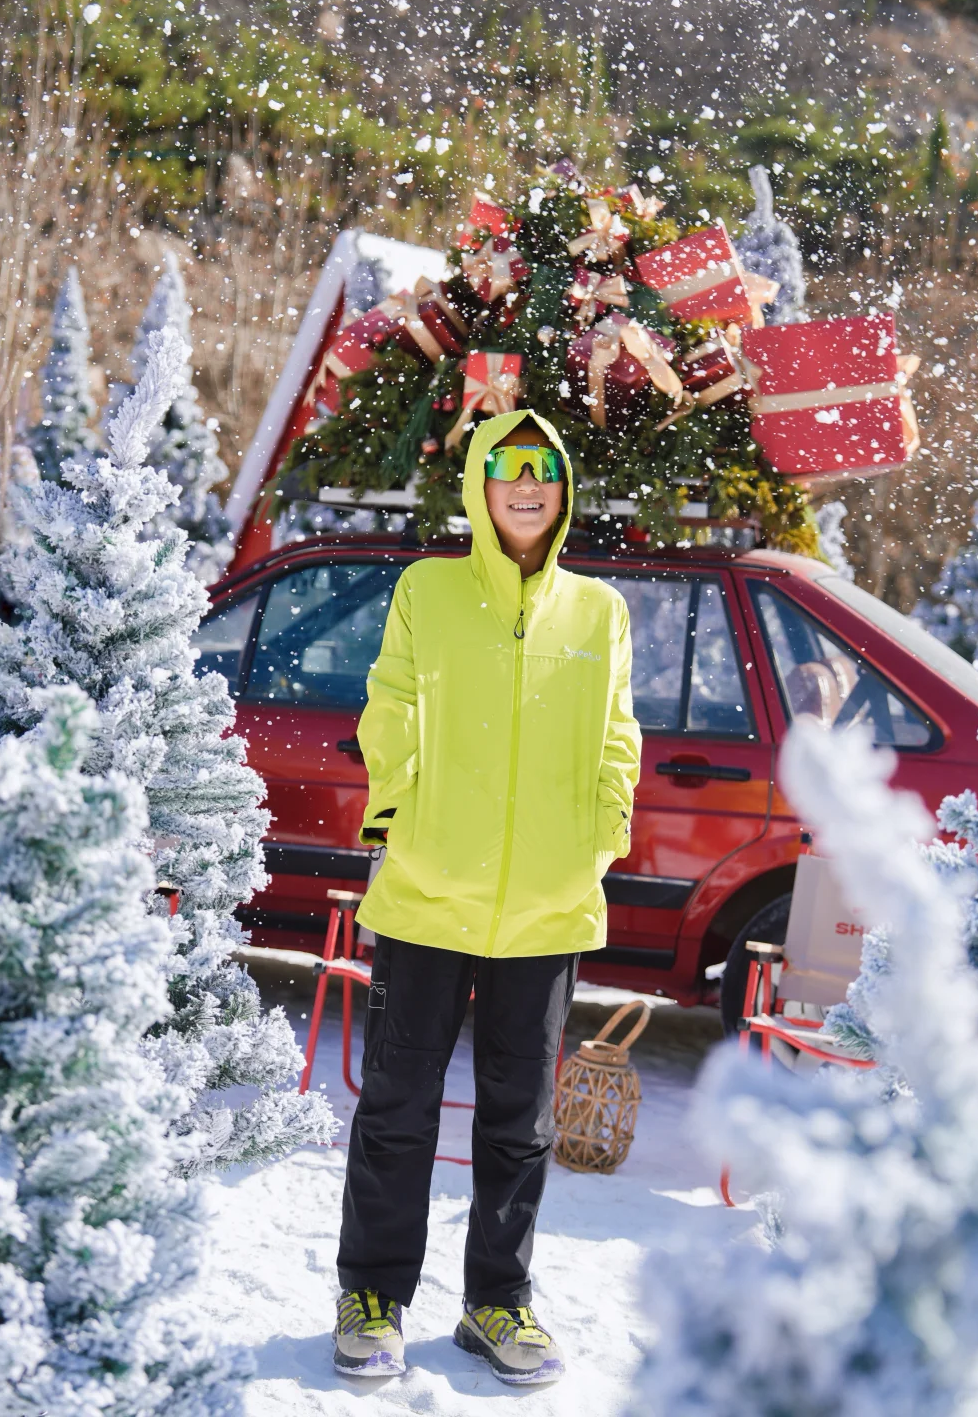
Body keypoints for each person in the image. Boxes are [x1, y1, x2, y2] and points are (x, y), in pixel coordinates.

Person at [332, 409, 642, 1385]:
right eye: (507, 466)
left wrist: (600, 836)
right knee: (397, 1105)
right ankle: (373, 1293)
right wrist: (394, 809)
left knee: (521, 1119)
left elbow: (616, 739)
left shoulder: (598, 612)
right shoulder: (429, 590)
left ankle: (497, 1304)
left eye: (543, 469)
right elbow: (389, 699)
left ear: (562, 490)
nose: (525, 483)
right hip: (427, 895)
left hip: (545, 909)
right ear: (479, 481)